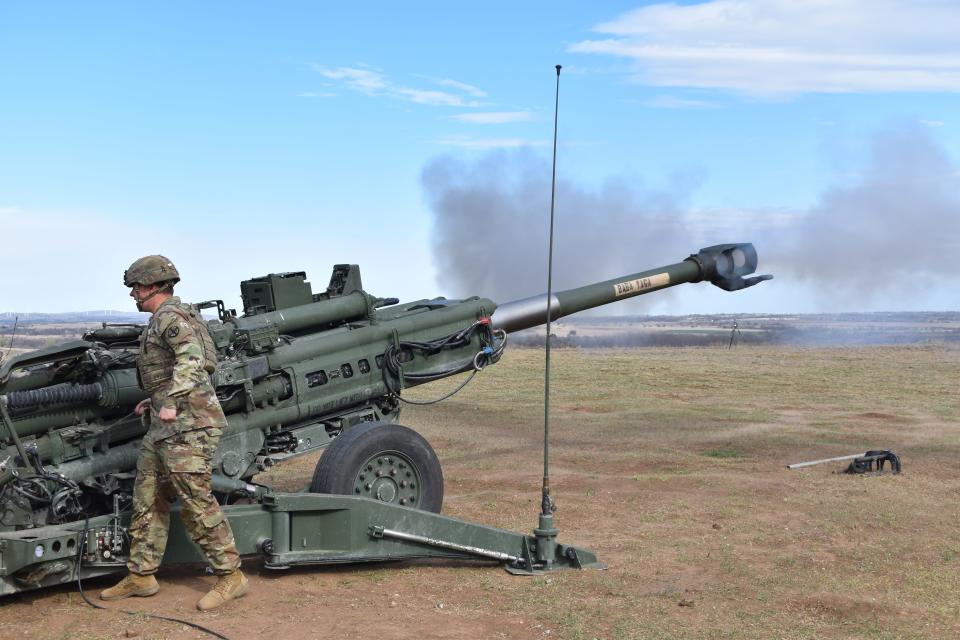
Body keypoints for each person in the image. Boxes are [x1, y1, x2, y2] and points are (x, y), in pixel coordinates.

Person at [100, 255, 248, 611]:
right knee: (148, 494)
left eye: (136, 287)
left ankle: (232, 575)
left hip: (189, 424)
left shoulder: (170, 318)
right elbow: (169, 371)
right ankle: (142, 574)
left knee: (195, 499)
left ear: (153, 286)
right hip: (166, 423)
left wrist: (172, 401)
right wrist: (155, 402)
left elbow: (193, 359)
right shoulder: (163, 319)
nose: (133, 294)